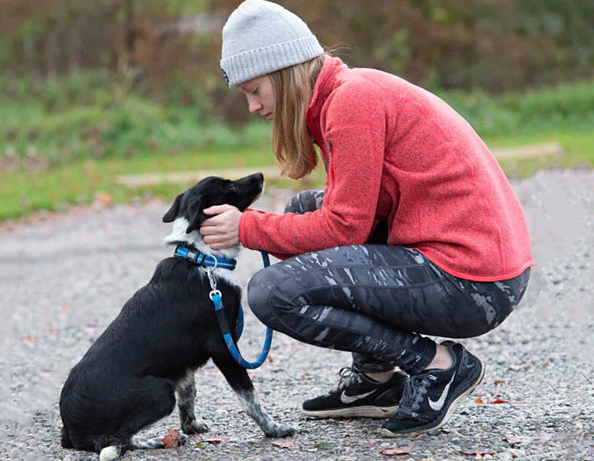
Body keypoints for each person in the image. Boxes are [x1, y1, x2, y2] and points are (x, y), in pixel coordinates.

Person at [200, 0, 532, 437]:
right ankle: (375, 382)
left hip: (474, 280)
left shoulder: (352, 101)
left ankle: (437, 366)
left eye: (255, 90)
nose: (252, 107)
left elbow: (344, 228)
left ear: (284, 72)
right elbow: (356, 215)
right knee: (302, 210)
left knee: (271, 294)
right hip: (470, 264)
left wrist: (247, 228)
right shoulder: (342, 95)